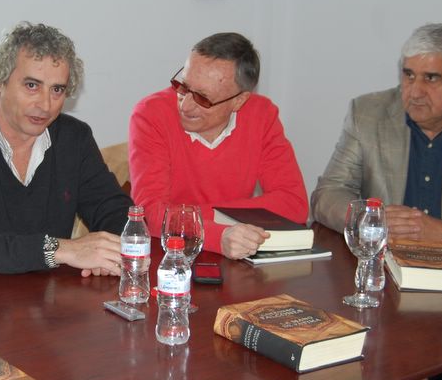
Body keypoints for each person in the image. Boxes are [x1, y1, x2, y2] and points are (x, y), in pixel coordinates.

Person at [311, 23, 442, 380]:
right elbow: (326, 194)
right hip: (380, 273)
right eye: (408, 75)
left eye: (431, 78)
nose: (415, 91)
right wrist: (369, 217)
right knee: (360, 344)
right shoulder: (369, 112)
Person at [0, 21, 132, 275]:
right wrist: (59, 250)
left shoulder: (73, 138)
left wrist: (107, 252)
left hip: (53, 294)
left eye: (57, 90)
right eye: (32, 86)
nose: (45, 104)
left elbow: (116, 212)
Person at [129, 32, 308, 258]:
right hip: (169, 257)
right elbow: (150, 215)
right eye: (182, 86)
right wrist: (219, 233)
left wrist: (186, 216)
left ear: (239, 100)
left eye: (203, 98)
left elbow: (294, 205)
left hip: (239, 255)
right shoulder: (152, 114)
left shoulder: (261, 115)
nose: (185, 106)